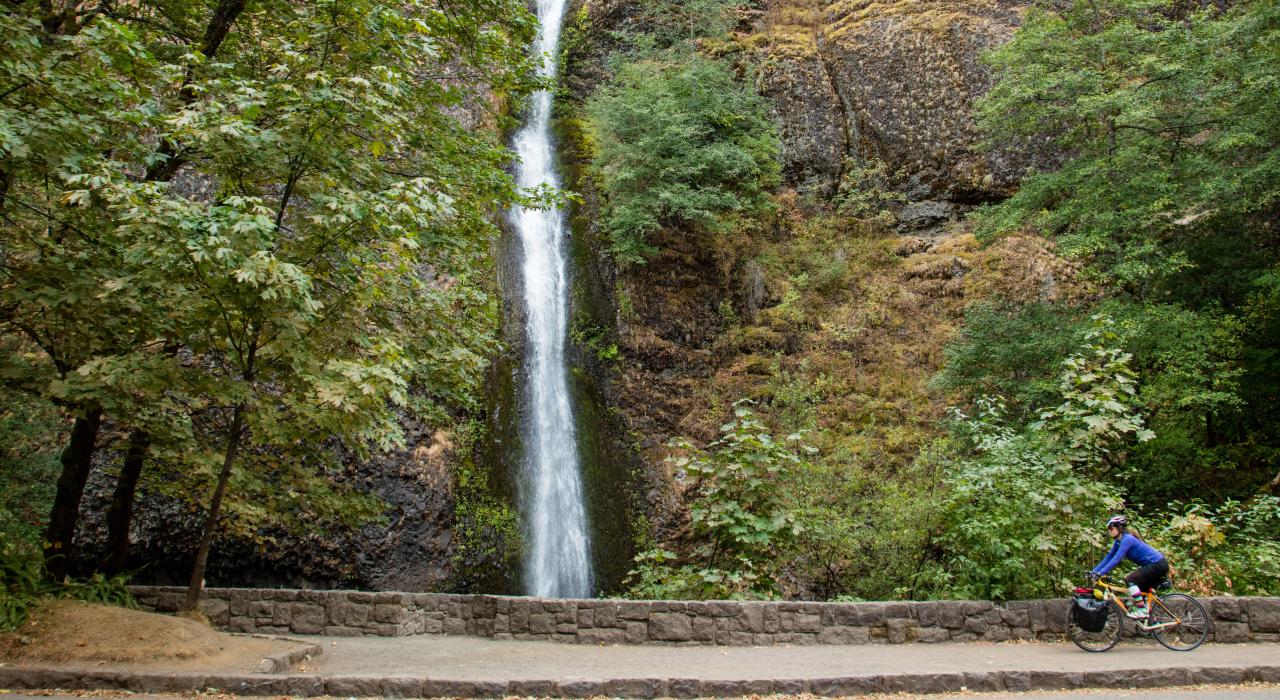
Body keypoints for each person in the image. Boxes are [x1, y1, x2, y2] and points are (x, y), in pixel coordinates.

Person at [1090, 515, 1169, 619]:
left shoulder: (1127, 539)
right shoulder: (1119, 541)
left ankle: (1142, 610)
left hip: (1157, 564)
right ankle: (1152, 620)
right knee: (1137, 597)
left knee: (1130, 579)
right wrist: (1094, 571)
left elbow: (1117, 558)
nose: (1109, 531)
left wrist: (1101, 573)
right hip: (1153, 565)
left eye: (1111, 528)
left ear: (1119, 528)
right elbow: (1109, 557)